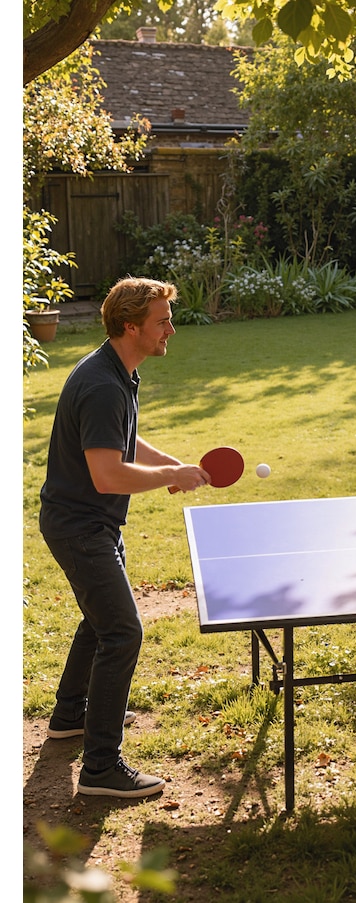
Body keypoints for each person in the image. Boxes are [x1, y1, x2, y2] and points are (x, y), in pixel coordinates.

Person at [40, 277, 211, 798]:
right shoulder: (102, 385)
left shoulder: (115, 371)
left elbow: (123, 437)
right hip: (81, 526)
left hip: (89, 523)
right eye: (162, 320)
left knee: (100, 623)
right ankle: (100, 768)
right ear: (130, 326)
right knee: (123, 632)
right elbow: (108, 475)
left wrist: (172, 464)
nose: (171, 329)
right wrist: (169, 479)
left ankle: (71, 713)